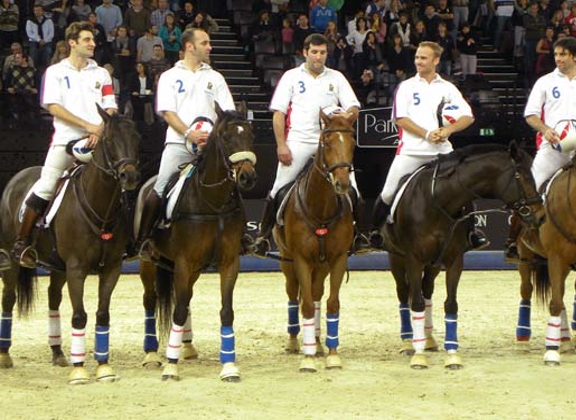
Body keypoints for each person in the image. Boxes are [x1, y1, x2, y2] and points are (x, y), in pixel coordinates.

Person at [245, 33, 368, 257]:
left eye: (322, 53)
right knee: (277, 188)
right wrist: (281, 145)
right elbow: (278, 114)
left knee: (353, 187)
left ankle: (361, 236)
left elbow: (354, 108)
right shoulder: (291, 77)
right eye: (314, 52)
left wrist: (344, 115)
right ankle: (262, 238)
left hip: (329, 143)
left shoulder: (337, 77)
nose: (318, 57)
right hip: (299, 140)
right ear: (305, 53)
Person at [8, 22, 117, 268]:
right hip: (65, 141)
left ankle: (122, 242)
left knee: (119, 180)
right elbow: (54, 107)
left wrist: (99, 129)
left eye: (93, 40)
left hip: (97, 141)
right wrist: (88, 126)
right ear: (72, 42)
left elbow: (110, 105)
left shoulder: (102, 73)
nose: (92, 44)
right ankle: (22, 243)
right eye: (87, 40)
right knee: (46, 186)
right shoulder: (55, 72)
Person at [368, 41, 486, 251]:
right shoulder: (406, 86)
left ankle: (472, 234)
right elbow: (400, 119)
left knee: (464, 188)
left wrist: (448, 131)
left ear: (436, 60)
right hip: (411, 151)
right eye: (417, 57)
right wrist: (427, 134)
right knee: (387, 193)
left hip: (442, 151)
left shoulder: (448, 88)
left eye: (423, 58)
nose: (418, 61)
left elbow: (468, 116)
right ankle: (373, 233)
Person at [504, 36, 576, 264]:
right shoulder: (545, 82)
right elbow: (530, 114)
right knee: (526, 189)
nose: (558, 59)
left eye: (563, 54)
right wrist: (545, 129)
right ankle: (513, 241)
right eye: (556, 55)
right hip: (551, 148)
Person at [134, 28, 236, 260]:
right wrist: (189, 134)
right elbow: (168, 113)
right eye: (205, 43)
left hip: (211, 147)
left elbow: (227, 113)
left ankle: (239, 237)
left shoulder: (215, 77)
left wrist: (212, 138)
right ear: (190, 46)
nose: (210, 47)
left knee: (232, 184)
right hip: (179, 144)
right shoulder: (170, 76)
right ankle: (145, 240)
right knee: (159, 188)